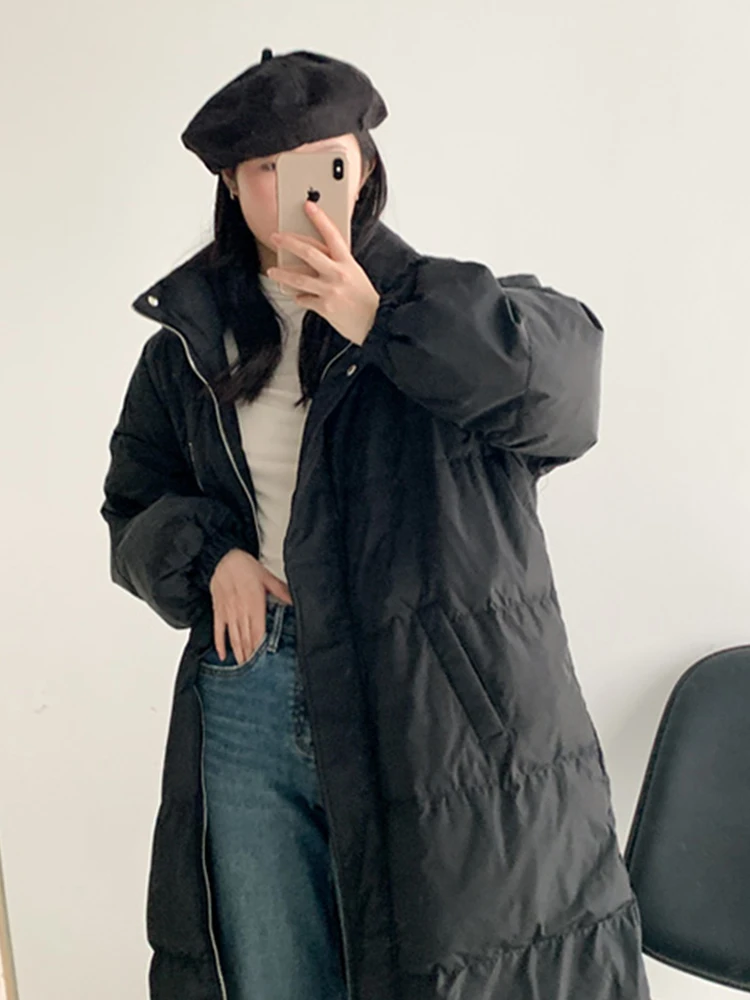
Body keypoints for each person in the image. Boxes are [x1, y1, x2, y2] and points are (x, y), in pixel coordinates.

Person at [100, 47, 651, 1000]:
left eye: (323, 161)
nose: (294, 188)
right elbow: (133, 500)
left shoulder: (451, 309)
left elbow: (566, 400)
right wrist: (212, 555)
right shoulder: (187, 349)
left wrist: (379, 319)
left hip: (433, 699)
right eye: (264, 168)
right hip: (252, 685)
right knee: (273, 977)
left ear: (362, 167)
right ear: (230, 186)